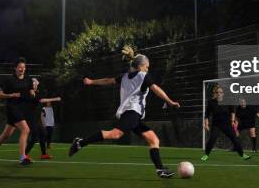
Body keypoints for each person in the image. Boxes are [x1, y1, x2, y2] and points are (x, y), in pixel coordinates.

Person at [68, 46, 180, 179]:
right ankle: (80, 143)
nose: (148, 69)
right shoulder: (143, 76)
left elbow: (107, 80)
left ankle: (160, 169)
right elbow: (156, 89)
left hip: (134, 115)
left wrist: (92, 81)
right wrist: (170, 101)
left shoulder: (125, 77)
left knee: (154, 139)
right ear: (142, 66)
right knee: (115, 135)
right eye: (147, 66)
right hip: (131, 112)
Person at [0, 57, 35, 166]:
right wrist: (11, 95)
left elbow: (30, 90)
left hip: (22, 109)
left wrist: (32, 92)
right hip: (12, 108)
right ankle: (22, 157)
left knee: (5, 135)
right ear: (15, 68)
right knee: (26, 130)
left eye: (24, 67)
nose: (22, 69)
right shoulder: (9, 80)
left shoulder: (28, 79)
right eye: (20, 67)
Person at [202, 86, 251, 162]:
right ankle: (206, 155)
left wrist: (232, 121)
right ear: (215, 93)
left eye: (220, 92)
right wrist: (206, 124)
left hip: (227, 125)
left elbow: (232, 112)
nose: (219, 94)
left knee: (235, 139)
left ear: (223, 94)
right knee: (211, 139)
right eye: (217, 92)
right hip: (216, 125)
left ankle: (242, 155)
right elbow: (207, 115)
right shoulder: (211, 102)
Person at [25, 78, 61, 160]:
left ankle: (44, 154)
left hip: (36, 118)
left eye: (35, 83)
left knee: (43, 134)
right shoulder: (30, 93)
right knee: (35, 136)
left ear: (37, 84)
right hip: (30, 118)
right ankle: (24, 155)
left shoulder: (37, 92)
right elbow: (41, 100)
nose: (34, 84)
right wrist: (55, 99)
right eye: (32, 83)